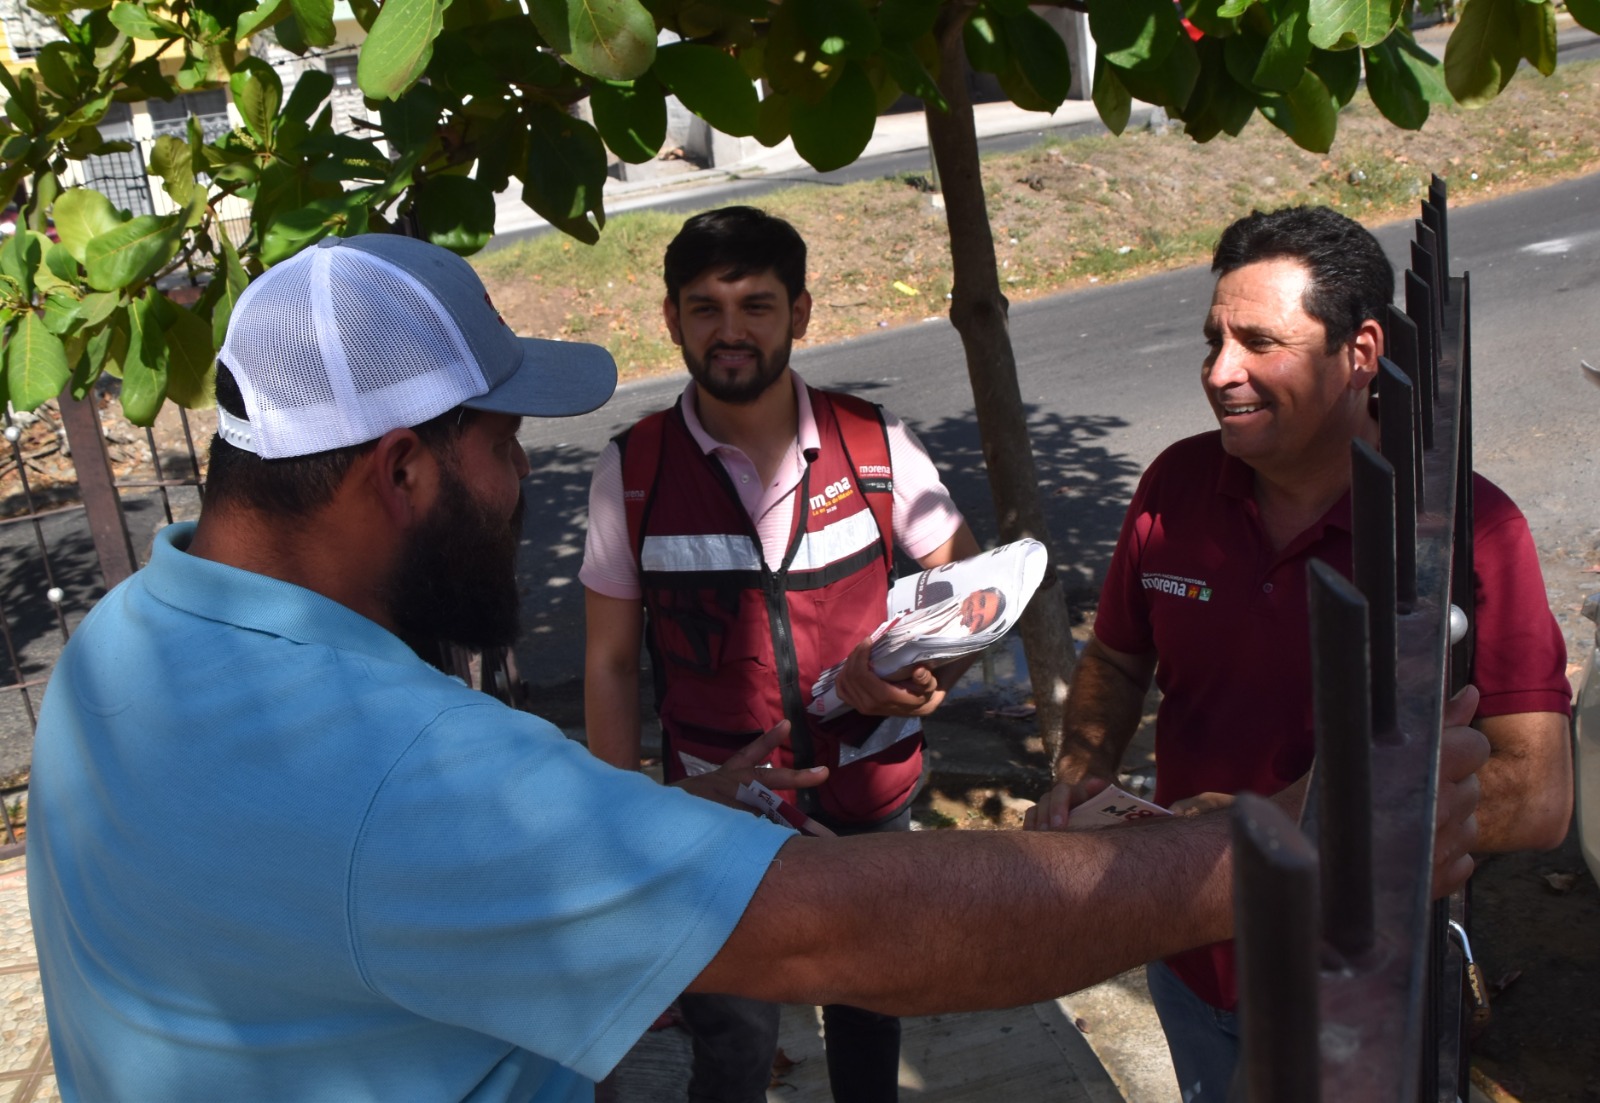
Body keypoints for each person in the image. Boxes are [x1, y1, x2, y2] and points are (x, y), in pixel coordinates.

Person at [25, 232, 1489, 1103]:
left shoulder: (132, 644)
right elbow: (846, 932)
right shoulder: (404, 763)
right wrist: (1274, 846)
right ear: (403, 466)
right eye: (495, 442)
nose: (517, 474)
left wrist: (661, 806)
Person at [1024, 206, 1573, 1102]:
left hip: (1363, 988)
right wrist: (1082, 771)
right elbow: (1118, 661)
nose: (1219, 371)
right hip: (1192, 962)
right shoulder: (1175, 485)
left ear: (1359, 354)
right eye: (1213, 339)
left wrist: (1278, 823)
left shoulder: (1470, 533)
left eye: (1258, 342)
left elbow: (1536, 795)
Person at [580, 206, 980, 1103]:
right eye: (704, 307)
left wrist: (928, 674)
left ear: (800, 313)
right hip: (717, 808)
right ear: (671, 320)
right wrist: (624, 818)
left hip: (868, 797)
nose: (730, 331)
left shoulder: (877, 446)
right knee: (731, 1039)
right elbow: (607, 663)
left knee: (871, 1014)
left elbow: (965, 586)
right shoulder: (634, 469)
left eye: (757, 304)